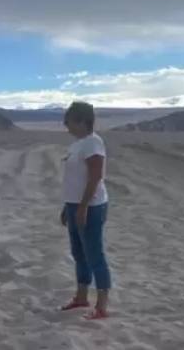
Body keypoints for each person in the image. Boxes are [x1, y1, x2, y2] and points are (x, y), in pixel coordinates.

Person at [59, 101, 112, 320]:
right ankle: (81, 296)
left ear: (82, 121)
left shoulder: (93, 143)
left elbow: (95, 176)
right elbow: (74, 179)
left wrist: (82, 207)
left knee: (94, 254)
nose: (66, 126)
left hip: (91, 206)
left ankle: (102, 306)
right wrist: (68, 206)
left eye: (69, 121)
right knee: (79, 253)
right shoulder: (78, 143)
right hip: (74, 205)